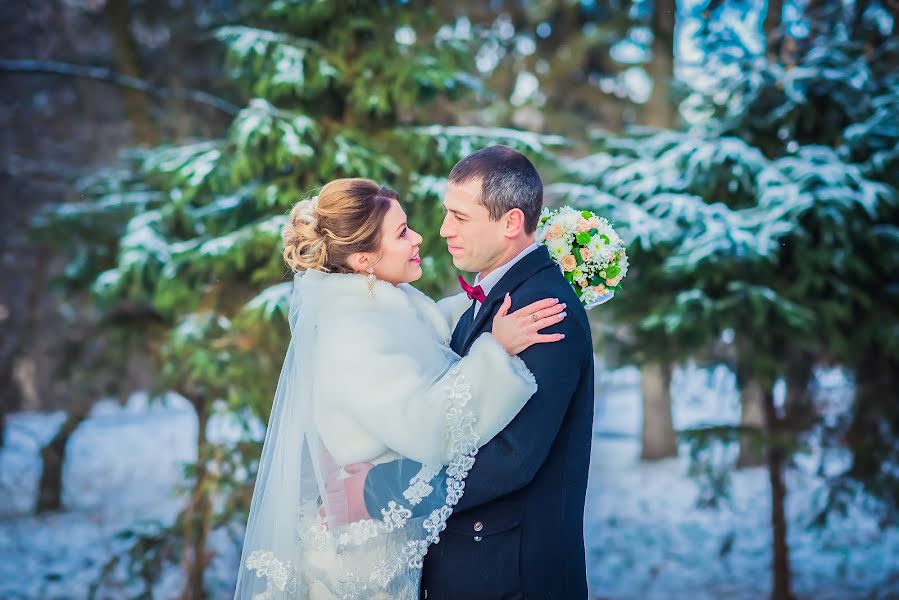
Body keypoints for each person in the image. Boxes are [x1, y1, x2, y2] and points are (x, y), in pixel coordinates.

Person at [233, 177, 568, 600]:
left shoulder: (379, 301)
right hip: (367, 563)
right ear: (362, 260)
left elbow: (423, 340)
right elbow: (431, 430)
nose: (420, 238)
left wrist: (505, 284)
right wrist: (495, 352)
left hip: (392, 536)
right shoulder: (353, 332)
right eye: (402, 233)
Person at [359, 146, 595, 599]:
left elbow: (509, 458)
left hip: (513, 579)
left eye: (459, 217)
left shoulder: (543, 311)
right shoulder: (491, 301)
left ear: (510, 222)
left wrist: (377, 491)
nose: (443, 230)